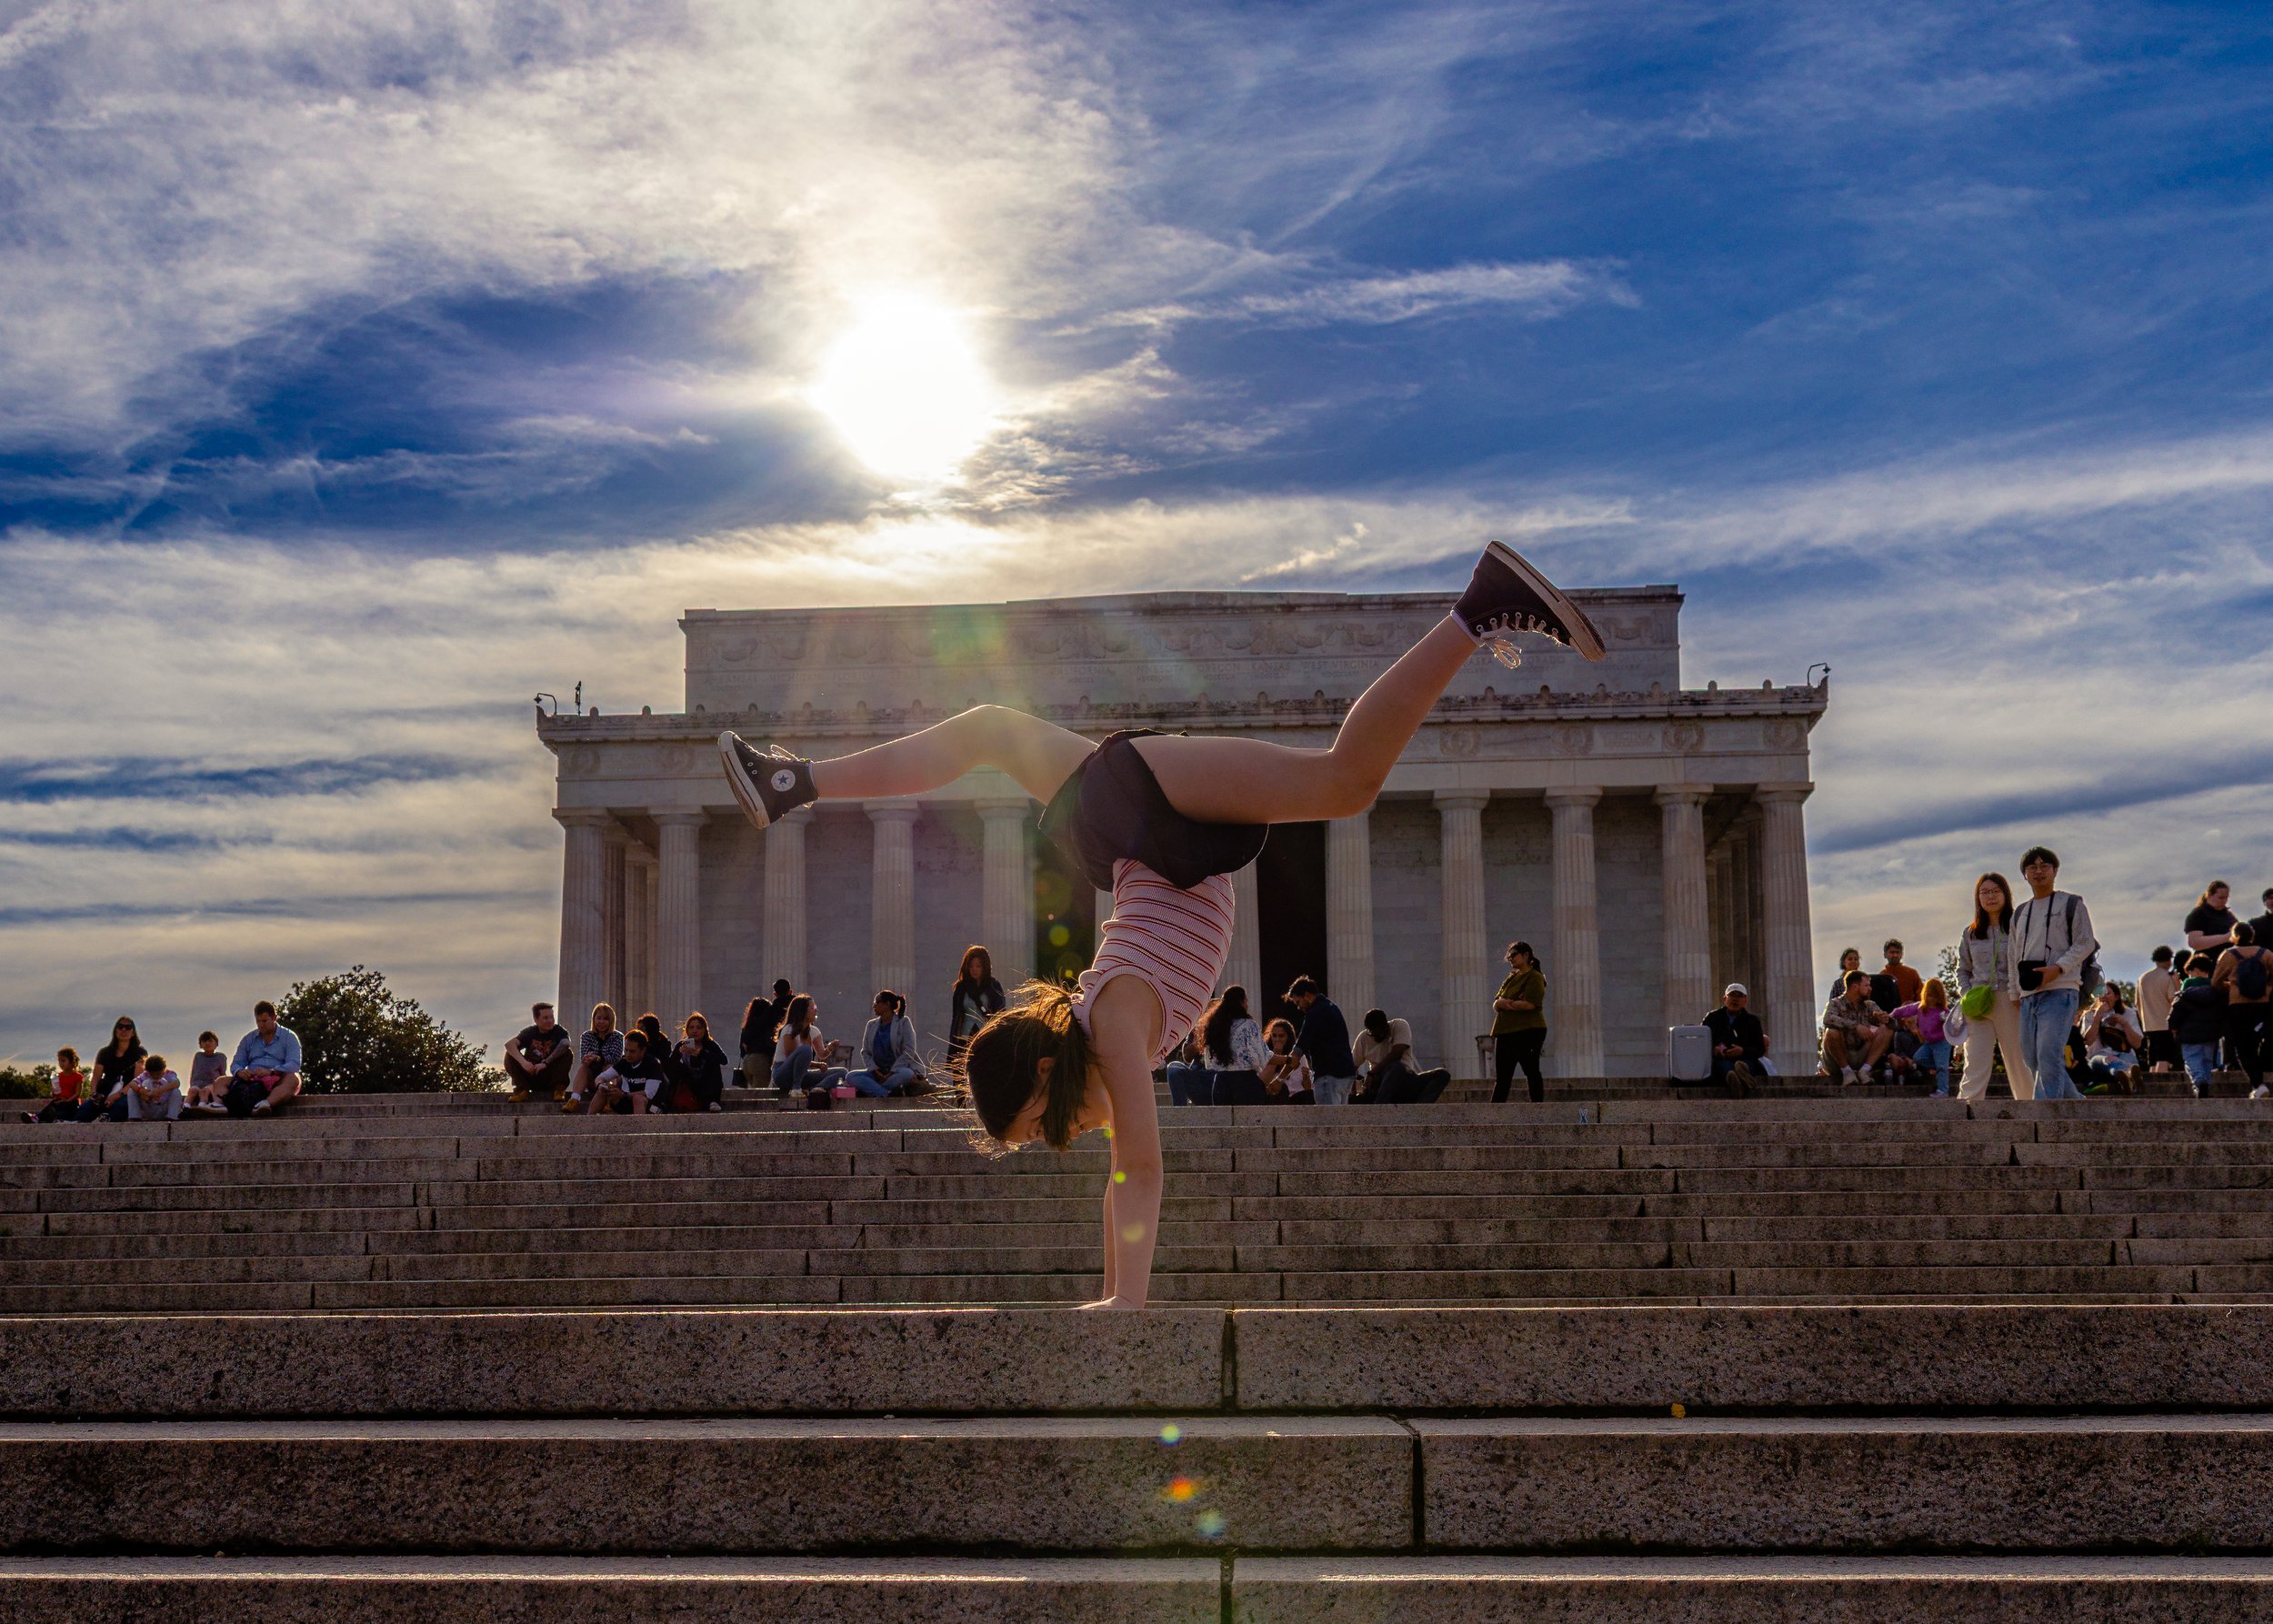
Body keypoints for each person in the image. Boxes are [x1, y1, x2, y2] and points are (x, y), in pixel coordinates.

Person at [716, 539, 1607, 1307]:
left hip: (1157, 828)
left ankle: (1476, 610)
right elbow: (1121, 1177)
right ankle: (792, 782)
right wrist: (1112, 1294)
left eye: (1036, 1130)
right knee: (988, 731)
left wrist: (1125, 1305)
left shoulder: (1110, 1030)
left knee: (1344, 781)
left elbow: (1138, 1172)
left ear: (1040, 1088)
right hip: (1137, 837)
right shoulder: (1108, 1038)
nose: (1053, 1141)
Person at [2011, 847, 2095, 1103]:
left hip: (2060, 988)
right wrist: (2014, 991)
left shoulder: (2071, 903)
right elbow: (2013, 954)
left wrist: (2058, 968)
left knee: (2048, 1052)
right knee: (2032, 1057)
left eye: (2044, 866)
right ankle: (2076, 1103)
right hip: (2029, 993)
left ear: (2055, 870)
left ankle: (2045, 1113)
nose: (2038, 871)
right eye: (2032, 867)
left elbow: (2085, 942)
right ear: (2025, 874)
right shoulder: (2020, 912)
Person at [1956, 872, 2034, 1101]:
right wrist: (1966, 993)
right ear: (1977, 898)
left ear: (2006, 894)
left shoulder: (2018, 926)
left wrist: (2020, 993)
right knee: (1975, 1062)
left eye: (1995, 891)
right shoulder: (1970, 932)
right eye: (1984, 892)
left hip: (2011, 1000)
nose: (1990, 897)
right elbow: (1963, 969)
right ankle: (1966, 1110)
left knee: (2018, 1061)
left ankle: (2030, 1109)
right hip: (1978, 1003)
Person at [2212, 921, 2271, 1098]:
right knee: (2261, 1040)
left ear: (2234, 936)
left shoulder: (2229, 955)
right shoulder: (2266, 953)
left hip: (2238, 1005)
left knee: (2243, 1047)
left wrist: (2231, 987)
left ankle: (2258, 1084)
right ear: (2252, 936)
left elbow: (2215, 982)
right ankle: (2263, 1073)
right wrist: (2267, 989)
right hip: (2263, 1004)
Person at [220, 1000, 304, 1116]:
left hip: (277, 1079)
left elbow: (294, 1064)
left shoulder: (289, 1037)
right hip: (251, 1081)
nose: (261, 1025)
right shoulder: (248, 1039)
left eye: (264, 1021)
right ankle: (220, 1106)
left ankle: (265, 1105)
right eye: (258, 1021)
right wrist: (240, 1071)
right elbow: (236, 1063)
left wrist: (272, 1071)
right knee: (220, 1081)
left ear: (274, 1018)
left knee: (294, 1078)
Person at [1490, 942, 1548, 1104]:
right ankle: (1493, 1113)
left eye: (1513, 954)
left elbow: (1530, 1004)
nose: (1510, 958)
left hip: (1529, 1030)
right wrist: (1511, 1002)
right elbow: (1496, 1003)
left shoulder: (1535, 977)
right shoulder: (1512, 977)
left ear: (1526, 955)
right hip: (1505, 1031)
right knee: (1502, 1076)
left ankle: (1537, 1106)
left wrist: (1506, 1003)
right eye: (1509, 956)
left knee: (1531, 1070)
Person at [1353, 1007, 1451, 1103]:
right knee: (1396, 1068)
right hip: (1381, 1084)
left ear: (1386, 1026)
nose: (1377, 1037)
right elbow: (1352, 1067)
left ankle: (1420, 1108)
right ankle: (1380, 1107)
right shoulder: (1363, 1038)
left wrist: (1371, 1073)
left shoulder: (1399, 1025)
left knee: (1442, 1074)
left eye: (1380, 1034)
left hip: (1406, 1080)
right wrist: (1353, 1090)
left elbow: (1397, 1053)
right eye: (1374, 1034)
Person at [1285, 977, 1357, 1107]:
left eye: (1298, 1002)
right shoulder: (1333, 1007)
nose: (1298, 1007)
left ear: (1307, 995)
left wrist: (1279, 1079)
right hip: (1346, 1074)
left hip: (1328, 1075)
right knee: (1340, 1121)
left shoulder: (1315, 1014)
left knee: (1328, 1123)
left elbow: (1298, 1051)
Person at [1199, 987, 1271, 1106]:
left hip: (1220, 1083)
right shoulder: (1249, 1025)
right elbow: (1258, 1059)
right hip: (1246, 1082)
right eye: (1246, 1001)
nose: (1247, 1005)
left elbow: (1209, 1062)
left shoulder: (1214, 1026)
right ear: (1241, 1002)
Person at [1822, 972, 1894, 1085]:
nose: (1870, 989)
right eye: (1867, 985)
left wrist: (1886, 1019)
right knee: (1831, 1032)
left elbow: (1893, 1025)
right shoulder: (1835, 1003)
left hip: (1860, 1054)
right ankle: (1847, 1072)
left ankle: (1864, 1071)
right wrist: (1856, 1026)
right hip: (1839, 1058)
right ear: (1855, 987)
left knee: (1887, 1029)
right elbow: (1827, 1019)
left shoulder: (1869, 1005)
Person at [854, 990, 929, 1098]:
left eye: (876, 1002)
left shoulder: (903, 1022)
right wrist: (875, 1071)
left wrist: (891, 1073)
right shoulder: (871, 1025)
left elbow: (909, 1051)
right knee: (851, 1076)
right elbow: (865, 1052)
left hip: (897, 1071)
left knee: (907, 1074)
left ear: (887, 1004)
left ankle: (873, 1089)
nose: (874, 1006)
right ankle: (885, 1092)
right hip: (878, 1073)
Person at [2172, 951, 2228, 1097]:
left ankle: (2199, 1081)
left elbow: (2177, 1010)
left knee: (2192, 1059)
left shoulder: (2186, 989)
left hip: (2189, 1033)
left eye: (2189, 972)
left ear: (2195, 970)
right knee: (2207, 1061)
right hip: (2211, 1033)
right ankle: (2205, 1084)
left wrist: (2173, 1026)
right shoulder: (2217, 990)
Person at [771, 994, 845, 1099]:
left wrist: (830, 1047)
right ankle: (796, 1089)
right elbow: (792, 1058)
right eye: (812, 1007)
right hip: (783, 1073)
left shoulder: (814, 1031)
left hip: (802, 1074)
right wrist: (818, 1065)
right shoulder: (789, 1030)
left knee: (842, 1072)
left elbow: (822, 1054)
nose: (816, 1010)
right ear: (803, 1011)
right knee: (805, 1050)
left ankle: (816, 1089)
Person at [1890, 979, 1956, 1097]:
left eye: (1934, 996)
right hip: (1929, 1042)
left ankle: (1943, 1091)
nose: (1931, 999)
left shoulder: (1943, 1011)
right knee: (1919, 1058)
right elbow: (1906, 1009)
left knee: (1941, 1067)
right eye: (1928, 995)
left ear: (1939, 997)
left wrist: (1946, 1020)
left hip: (1942, 1042)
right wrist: (1893, 1014)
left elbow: (1953, 1022)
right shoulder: (1920, 1007)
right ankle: (1942, 1067)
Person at [503, 1002, 576, 1102]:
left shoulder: (558, 1031)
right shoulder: (530, 1032)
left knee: (567, 1053)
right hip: (532, 1073)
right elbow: (509, 1045)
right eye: (546, 1018)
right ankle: (522, 1091)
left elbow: (565, 1043)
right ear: (536, 1020)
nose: (550, 1021)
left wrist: (545, 1063)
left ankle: (559, 1090)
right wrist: (524, 1062)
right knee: (509, 1055)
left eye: (551, 1017)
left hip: (550, 1075)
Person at [1702, 983, 1767, 1094]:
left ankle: (1740, 1075)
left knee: (1743, 1065)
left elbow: (1760, 1049)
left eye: (1739, 996)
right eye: (1732, 995)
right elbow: (1702, 1041)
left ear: (1745, 1001)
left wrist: (1742, 1051)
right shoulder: (1712, 1018)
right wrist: (1715, 1049)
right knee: (1724, 1066)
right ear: (1725, 999)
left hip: (1745, 1058)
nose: (1735, 999)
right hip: (1722, 1058)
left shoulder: (1752, 1021)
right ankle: (1736, 1079)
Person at [77, 1017, 144, 1123]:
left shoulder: (140, 1053)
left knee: (123, 1106)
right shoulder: (105, 1053)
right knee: (85, 1109)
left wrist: (116, 1096)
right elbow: (96, 1077)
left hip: (126, 1093)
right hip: (105, 1091)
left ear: (133, 1032)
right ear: (115, 1031)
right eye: (120, 1027)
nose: (124, 1030)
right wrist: (94, 1094)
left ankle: (106, 1119)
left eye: (128, 1027)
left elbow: (137, 1080)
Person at [587, 1028, 666, 1115]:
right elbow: (601, 1077)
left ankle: (639, 1128)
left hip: (654, 1106)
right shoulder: (624, 1062)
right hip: (630, 1102)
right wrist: (600, 1085)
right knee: (602, 1091)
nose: (628, 1054)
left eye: (632, 1051)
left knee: (638, 1098)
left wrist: (623, 1095)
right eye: (626, 1050)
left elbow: (649, 1093)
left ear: (643, 1050)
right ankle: (588, 1122)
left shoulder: (653, 1064)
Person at [948, 948, 1008, 1061]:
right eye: (971, 966)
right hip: (964, 1036)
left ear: (984, 967)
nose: (974, 970)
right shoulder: (961, 988)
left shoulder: (994, 986)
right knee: (961, 1073)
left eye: (978, 966)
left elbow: (1000, 1014)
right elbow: (956, 1016)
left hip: (986, 1036)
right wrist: (953, 1041)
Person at [2080, 984, 2141, 1094]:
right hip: (2098, 1057)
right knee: (2107, 1060)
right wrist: (2097, 1017)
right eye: (2100, 994)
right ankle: (2129, 1075)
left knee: (2127, 1058)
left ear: (2116, 997)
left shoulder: (2129, 1013)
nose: (2103, 997)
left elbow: (2137, 1044)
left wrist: (2124, 1024)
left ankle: (2125, 1077)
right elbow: (2088, 1041)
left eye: (2108, 993)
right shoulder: (2090, 1015)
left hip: (2124, 1054)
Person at [666, 1012, 732, 1112]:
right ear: (687, 1030)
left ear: (704, 1030)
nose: (695, 1031)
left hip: (707, 1084)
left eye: (698, 1027)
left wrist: (701, 1054)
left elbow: (724, 1060)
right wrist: (678, 1053)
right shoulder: (681, 1045)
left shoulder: (710, 1044)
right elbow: (669, 1066)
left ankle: (714, 1101)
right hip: (689, 1084)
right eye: (691, 1028)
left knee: (714, 1063)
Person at [568, 1004, 624, 1113]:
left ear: (611, 1021)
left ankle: (607, 1100)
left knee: (609, 1067)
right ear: (594, 1019)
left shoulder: (617, 1037)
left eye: (605, 1019)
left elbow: (615, 1058)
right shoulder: (587, 1036)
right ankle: (574, 1099)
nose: (601, 1022)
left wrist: (598, 1058)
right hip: (592, 1077)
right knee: (584, 1067)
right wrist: (590, 1058)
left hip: (612, 1078)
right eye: (598, 1018)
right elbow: (584, 1056)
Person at [739, 980, 794, 1090]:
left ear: (775, 994)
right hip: (764, 1060)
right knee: (761, 1095)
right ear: (791, 992)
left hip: (748, 1061)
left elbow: (744, 1043)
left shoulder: (753, 1022)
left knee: (755, 1092)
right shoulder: (797, 1009)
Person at [2138, 946, 2180, 1074]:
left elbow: (2137, 1003)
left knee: (2153, 1059)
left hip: (2148, 1024)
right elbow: (2174, 999)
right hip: (2165, 1023)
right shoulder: (2167, 977)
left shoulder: (2143, 978)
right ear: (2169, 960)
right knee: (2164, 1057)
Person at [21, 1048, 85, 1124]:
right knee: (53, 1104)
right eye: (59, 1061)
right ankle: (37, 1117)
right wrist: (54, 1092)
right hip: (60, 1101)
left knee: (64, 1109)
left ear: (72, 1061)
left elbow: (77, 1094)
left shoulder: (78, 1076)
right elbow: (56, 1092)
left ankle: (53, 1118)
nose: (60, 1063)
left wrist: (67, 1100)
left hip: (71, 1103)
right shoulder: (58, 1076)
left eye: (63, 1061)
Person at [1259, 1018, 1316, 1103]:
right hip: (1277, 1099)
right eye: (1274, 1036)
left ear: (1288, 1037)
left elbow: (1308, 1089)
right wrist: (1276, 1053)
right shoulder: (1265, 1056)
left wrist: (1306, 1079)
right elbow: (1264, 1085)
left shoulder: (1300, 1057)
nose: (1277, 1039)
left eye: (1281, 1036)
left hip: (1297, 1098)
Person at [2186, 881, 2241, 961]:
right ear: (2209, 896)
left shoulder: (2229, 916)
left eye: (2226, 898)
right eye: (2221, 898)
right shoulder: (2199, 914)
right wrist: (2227, 937)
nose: (2224, 901)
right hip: (2208, 963)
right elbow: (2195, 942)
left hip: (2230, 963)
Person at [126, 1053, 183, 1121]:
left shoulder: (169, 1074)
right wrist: (142, 1091)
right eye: (152, 1074)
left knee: (176, 1092)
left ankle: (172, 1116)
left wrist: (160, 1091)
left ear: (163, 1069)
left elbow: (176, 1083)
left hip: (163, 1107)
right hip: (149, 1106)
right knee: (131, 1092)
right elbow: (132, 1084)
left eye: (158, 1074)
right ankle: (135, 1116)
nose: (156, 1076)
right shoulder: (145, 1075)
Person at [1163, 1029, 1209, 1108]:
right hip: (1199, 1077)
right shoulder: (1199, 1026)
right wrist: (1202, 1039)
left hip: (1221, 1077)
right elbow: (1187, 1057)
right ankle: (1180, 1112)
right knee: (1173, 1068)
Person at [1878, 940, 1924, 1008]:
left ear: (1901, 955)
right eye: (1892, 952)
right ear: (1885, 954)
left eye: (1897, 952)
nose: (1895, 955)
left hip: (1909, 1015)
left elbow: (1921, 995)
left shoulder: (1912, 973)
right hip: (1889, 1015)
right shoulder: (1882, 976)